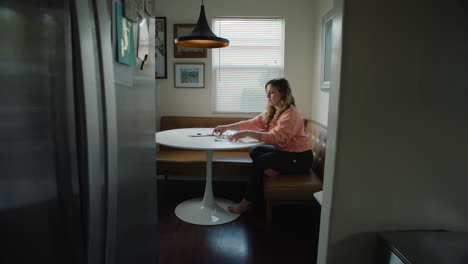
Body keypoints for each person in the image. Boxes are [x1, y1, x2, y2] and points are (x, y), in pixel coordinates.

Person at [213, 78, 313, 214]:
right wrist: (226, 127)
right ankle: (278, 170)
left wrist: (248, 133)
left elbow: (275, 138)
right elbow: (251, 123)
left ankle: (247, 202)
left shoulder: (290, 114)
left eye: (271, 92)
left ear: (282, 93)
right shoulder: (273, 110)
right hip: (285, 152)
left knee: (258, 163)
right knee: (256, 150)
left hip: (299, 158)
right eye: (267, 92)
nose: (267, 96)